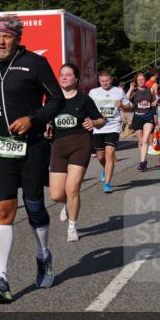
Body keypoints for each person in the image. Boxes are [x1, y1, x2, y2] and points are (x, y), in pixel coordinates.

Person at [0, 14, 64, 301]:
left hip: (32, 146)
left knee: (34, 206)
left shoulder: (35, 63)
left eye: (7, 36)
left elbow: (57, 99)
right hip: (0, 147)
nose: (1, 40)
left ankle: (44, 254)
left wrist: (33, 118)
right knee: (3, 211)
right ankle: (1, 279)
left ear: (17, 38)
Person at [49, 64, 105, 242]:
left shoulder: (84, 100)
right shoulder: (52, 99)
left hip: (80, 144)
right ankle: (67, 203)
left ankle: (72, 226)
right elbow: (45, 119)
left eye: (68, 74)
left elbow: (101, 119)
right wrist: (46, 126)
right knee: (56, 194)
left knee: (72, 187)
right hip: (58, 146)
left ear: (76, 79)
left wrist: (94, 123)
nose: (64, 77)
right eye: (61, 74)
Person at [89, 71, 129, 193]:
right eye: (102, 81)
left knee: (110, 153)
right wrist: (95, 116)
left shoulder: (119, 91)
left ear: (111, 79)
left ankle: (107, 183)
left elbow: (129, 107)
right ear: (99, 81)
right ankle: (105, 168)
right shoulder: (93, 92)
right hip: (99, 127)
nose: (105, 83)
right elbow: (88, 108)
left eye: (107, 80)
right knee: (100, 157)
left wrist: (121, 104)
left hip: (114, 126)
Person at [127, 73, 157, 172]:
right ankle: (143, 159)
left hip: (148, 116)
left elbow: (154, 101)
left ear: (145, 80)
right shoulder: (134, 91)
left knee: (145, 140)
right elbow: (126, 99)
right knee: (140, 142)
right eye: (139, 80)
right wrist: (131, 88)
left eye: (142, 79)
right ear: (136, 81)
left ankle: (142, 162)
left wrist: (154, 103)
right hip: (137, 117)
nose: (141, 81)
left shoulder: (150, 90)